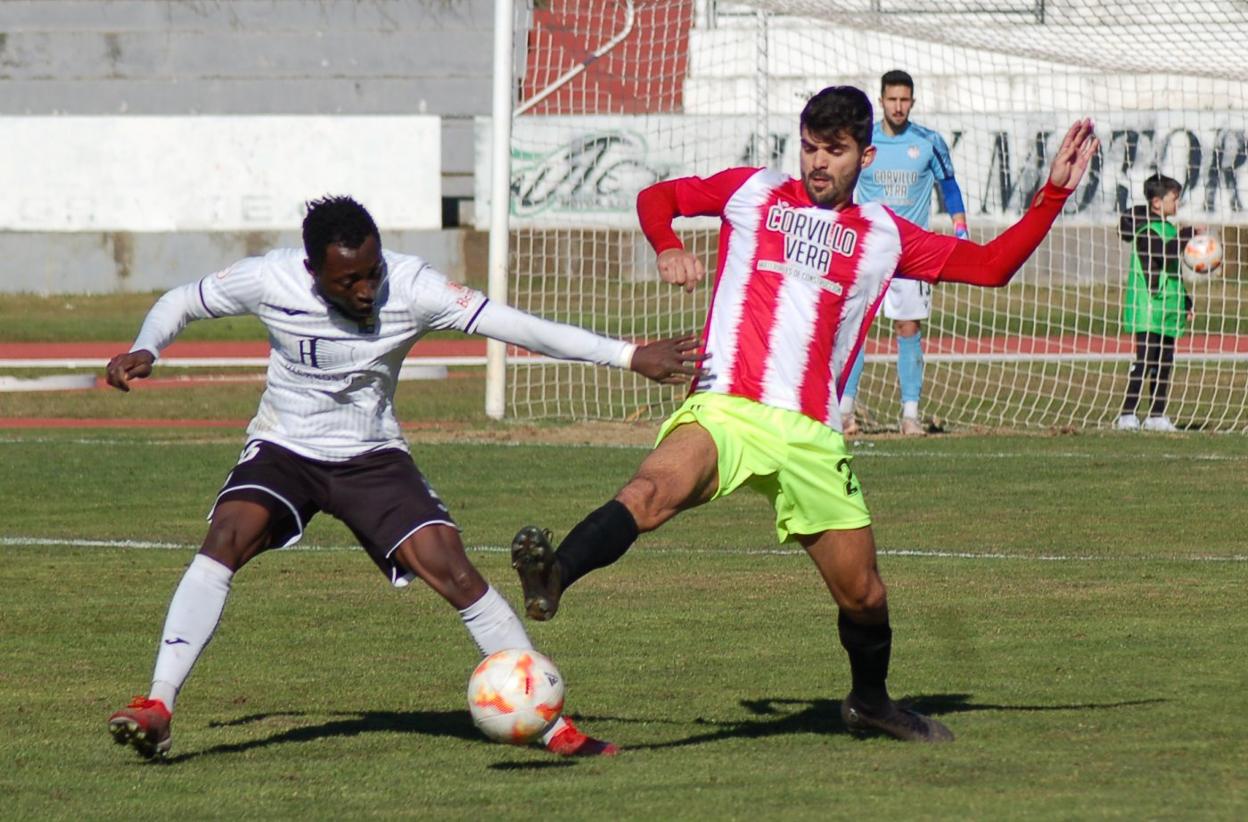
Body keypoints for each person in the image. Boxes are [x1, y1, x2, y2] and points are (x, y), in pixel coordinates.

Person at [510, 87, 1098, 743]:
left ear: (865, 155)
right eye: (810, 147)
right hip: (727, 407)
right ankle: (555, 573)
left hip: (812, 436)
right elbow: (661, 198)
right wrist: (664, 243)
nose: (818, 162)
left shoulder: (884, 235)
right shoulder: (753, 191)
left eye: (835, 151)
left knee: (865, 595)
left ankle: (871, 702)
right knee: (650, 491)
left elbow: (990, 267)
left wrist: (1052, 195)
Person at [104, 195, 705, 760]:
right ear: (312, 270)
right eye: (349, 281)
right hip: (284, 448)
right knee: (225, 541)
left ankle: (550, 724)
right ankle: (159, 702)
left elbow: (516, 325)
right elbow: (181, 299)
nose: (368, 290)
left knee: (455, 570)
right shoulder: (268, 277)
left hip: (371, 457)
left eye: (372, 271)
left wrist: (628, 356)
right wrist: (147, 347)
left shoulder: (413, 286)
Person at [840, 69, 970, 435]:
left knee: (908, 326)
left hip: (911, 251)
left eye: (904, 100)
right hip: (866, 248)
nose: (898, 106)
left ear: (912, 102)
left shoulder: (929, 142)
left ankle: (910, 415)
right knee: (853, 327)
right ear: (881, 101)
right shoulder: (864, 142)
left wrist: (960, 227)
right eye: (892, 99)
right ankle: (845, 411)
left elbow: (949, 184)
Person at [1114, 173, 1196, 432]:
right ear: (1158, 202)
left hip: (1169, 307)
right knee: (1146, 359)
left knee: (1165, 361)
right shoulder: (1147, 230)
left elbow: (1173, 272)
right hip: (1148, 306)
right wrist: (1188, 235)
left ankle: (1156, 414)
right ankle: (1127, 414)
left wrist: (1186, 301)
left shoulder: (1169, 229)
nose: (1177, 203)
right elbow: (1162, 254)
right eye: (1174, 198)